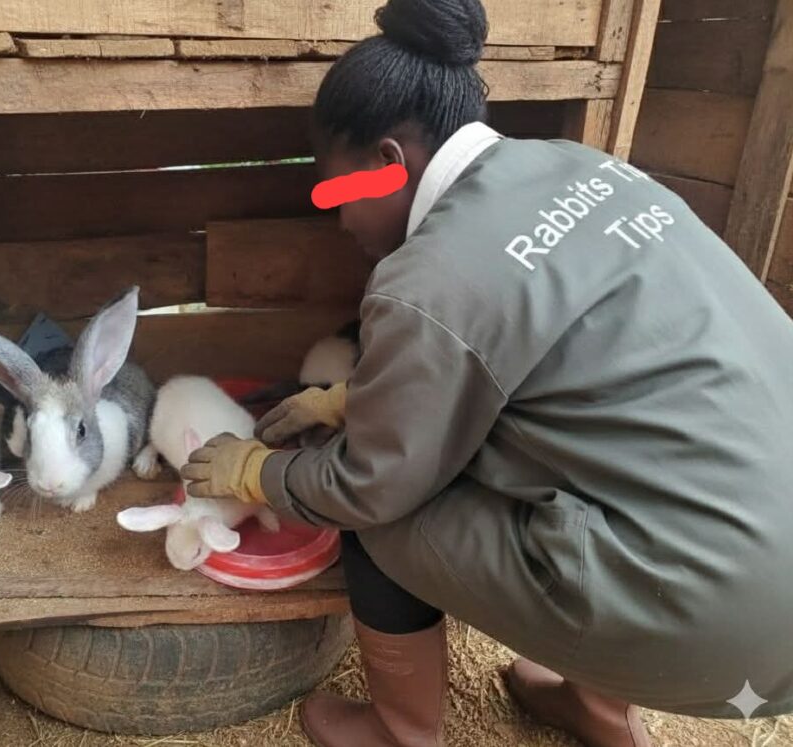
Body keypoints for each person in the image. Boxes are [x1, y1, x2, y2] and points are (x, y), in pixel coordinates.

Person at [180, 0, 793, 745]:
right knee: (592, 463)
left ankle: (402, 732)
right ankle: (599, 710)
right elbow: (558, 366)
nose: (340, 220)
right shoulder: (585, 169)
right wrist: (351, 396)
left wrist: (260, 472)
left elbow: (371, 486)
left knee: (377, 515)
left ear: (388, 162)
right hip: (763, 565)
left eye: (337, 192)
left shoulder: (425, 279)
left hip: (723, 628)